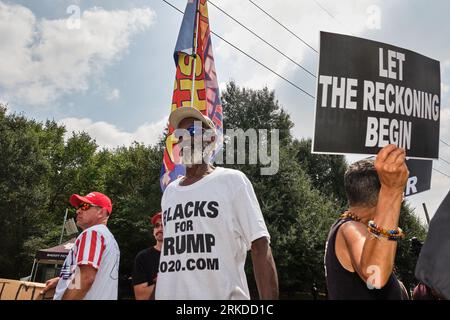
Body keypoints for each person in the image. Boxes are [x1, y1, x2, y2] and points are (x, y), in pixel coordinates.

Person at [155, 107, 278, 300]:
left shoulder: (232, 181)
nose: (185, 140)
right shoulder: (170, 192)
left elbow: (260, 245)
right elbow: (171, 258)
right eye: (180, 136)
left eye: (193, 132)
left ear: (211, 140)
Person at [324, 145, 409, 299]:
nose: (401, 199)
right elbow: (375, 275)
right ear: (380, 195)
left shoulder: (348, 226)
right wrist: (392, 191)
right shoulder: (351, 229)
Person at [41, 192, 120, 300]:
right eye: (78, 207)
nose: (78, 210)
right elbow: (96, 276)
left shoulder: (93, 233)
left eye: (85, 206)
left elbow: (86, 278)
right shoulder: (109, 239)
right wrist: (62, 281)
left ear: (101, 212)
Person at [132, 212, 163, 300]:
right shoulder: (143, 257)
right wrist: (166, 279)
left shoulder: (182, 256)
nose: (160, 228)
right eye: (157, 225)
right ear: (153, 231)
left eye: (164, 224)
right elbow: (141, 296)